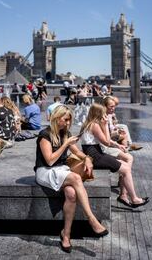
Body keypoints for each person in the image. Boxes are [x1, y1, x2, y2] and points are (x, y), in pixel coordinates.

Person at [35, 105, 108, 253]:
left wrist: (87, 158)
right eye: (66, 120)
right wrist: (66, 144)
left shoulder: (65, 133)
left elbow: (78, 152)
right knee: (75, 177)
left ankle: (66, 234)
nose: (68, 123)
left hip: (60, 171)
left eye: (70, 120)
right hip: (45, 171)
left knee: (71, 194)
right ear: (56, 118)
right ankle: (91, 219)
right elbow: (49, 160)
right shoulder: (45, 135)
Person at [80, 103, 149, 208]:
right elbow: (107, 142)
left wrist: (116, 143)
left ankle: (126, 195)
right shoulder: (95, 125)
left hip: (95, 153)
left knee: (126, 166)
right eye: (103, 114)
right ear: (98, 114)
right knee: (126, 170)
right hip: (96, 156)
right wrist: (105, 125)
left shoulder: (89, 123)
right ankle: (133, 199)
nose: (105, 116)